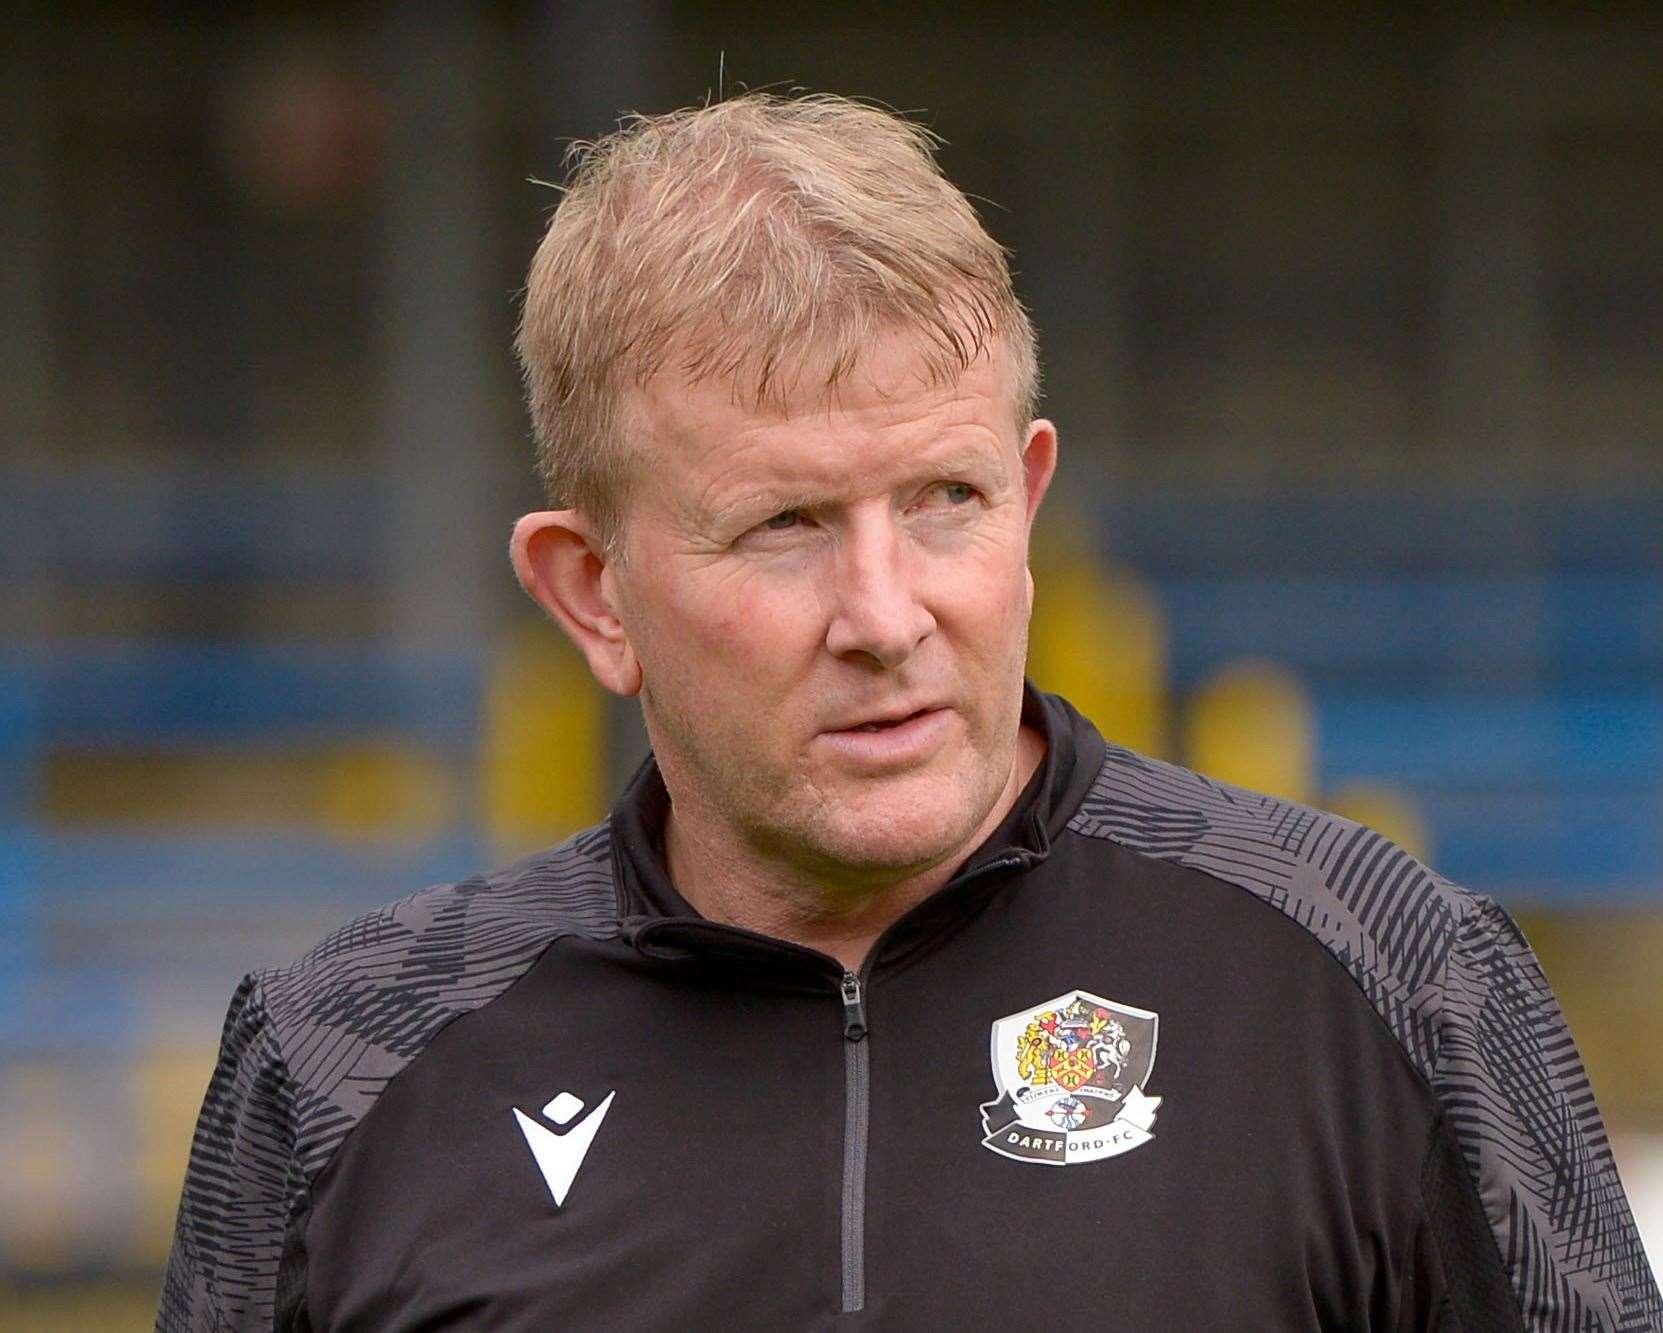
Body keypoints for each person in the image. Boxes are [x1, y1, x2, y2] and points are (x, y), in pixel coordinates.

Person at [159, 93, 1661, 1331]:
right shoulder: (344, 1063)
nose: (887, 616)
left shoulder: (1391, 979)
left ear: (1032, 501)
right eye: (786, 525)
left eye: (946, 499)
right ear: (592, 594)